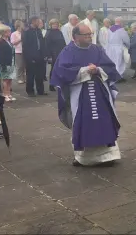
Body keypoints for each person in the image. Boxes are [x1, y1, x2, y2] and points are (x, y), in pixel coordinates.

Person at [50, 23, 122, 167]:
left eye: (91, 34)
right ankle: (83, 158)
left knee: (104, 121)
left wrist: (98, 70)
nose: (90, 37)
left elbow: (110, 67)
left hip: (99, 91)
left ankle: (107, 156)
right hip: (80, 93)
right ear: (76, 37)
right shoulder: (67, 51)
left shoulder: (97, 49)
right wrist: (84, 71)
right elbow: (61, 72)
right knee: (83, 123)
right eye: (86, 35)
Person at [21, 16, 48, 97]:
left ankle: (40, 90)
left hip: (40, 55)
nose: (39, 23)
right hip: (31, 56)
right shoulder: (27, 31)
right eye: (37, 21)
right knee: (31, 75)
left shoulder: (38, 31)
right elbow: (25, 46)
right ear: (33, 21)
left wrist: (44, 54)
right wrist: (29, 57)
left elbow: (42, 43)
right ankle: (30, 91)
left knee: (40, 74)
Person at [45, 19, 67, 92]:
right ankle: (51, 84)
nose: (55, 25)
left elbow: (63, 42)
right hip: (53, 53)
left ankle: (59, 83)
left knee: (60, 68)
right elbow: (47, 45)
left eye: (56, 24)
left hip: (60, 52)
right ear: (51, 25)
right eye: (54, 24)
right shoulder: (49, 33)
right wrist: (49, 56)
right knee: (53, 69)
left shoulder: (59, 32)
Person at [107, 17, 130, 82]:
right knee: (119, 62)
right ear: (120, 22)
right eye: (122, 22)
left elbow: (107, 39)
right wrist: (128, 46)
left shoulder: (110, 29)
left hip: (110, 48)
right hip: (118, 47)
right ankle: (118, 77)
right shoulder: (121, 30)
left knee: (113, 62)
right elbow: (126, 40)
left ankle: (113, 76)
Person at [0, 25, 16, 101]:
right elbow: (1, 54)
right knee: (5, 79)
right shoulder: (1, 42)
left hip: (11, 61)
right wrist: (3, 64)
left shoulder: (8, 40)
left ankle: (8, 94)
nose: (10, 33)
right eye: (8, 31)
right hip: (5, 63)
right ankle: (5, 94)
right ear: (4, 33)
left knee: (10, 79)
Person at [10, 20, 25, 84]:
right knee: (19, 66)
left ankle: (24, 78)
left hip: (25, 51)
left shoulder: (24, 32)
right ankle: (19, 78)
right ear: (18, 26)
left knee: (25, 65)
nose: (23, 26)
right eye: (22, 25)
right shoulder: (14, 34)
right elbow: (13, 42)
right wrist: (20, 39)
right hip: (18, 51)